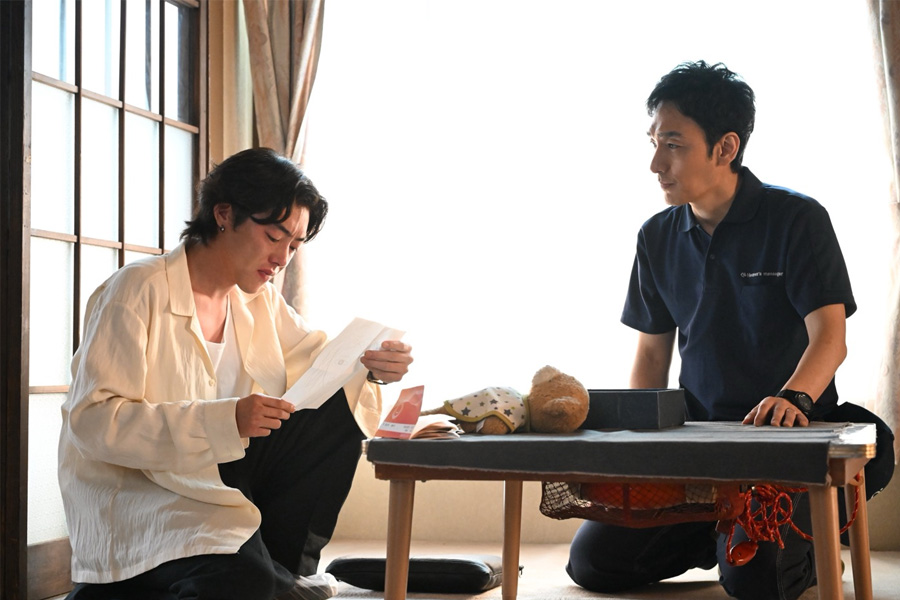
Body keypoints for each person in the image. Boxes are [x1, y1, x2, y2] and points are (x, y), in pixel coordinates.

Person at [566, 61, 895, 600]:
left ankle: (793, 550)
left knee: (755, 582)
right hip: (699, 447)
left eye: (673, 144)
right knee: (593, 563)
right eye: (653, 142)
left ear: (725, 147)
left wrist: (793, 399)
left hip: (788, 444)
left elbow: (830, 337)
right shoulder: (656, 236)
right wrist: (634, 448)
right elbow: (651, 355)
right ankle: (717, 535)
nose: (655, 163)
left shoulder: (797, 219)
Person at [58, 147, 414, 600]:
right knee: (245, 582)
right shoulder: (137, 288)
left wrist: (375, 367)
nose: (282, 258)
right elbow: (93, 421)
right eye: (274, 236)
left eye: (294, 246)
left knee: (338, 406)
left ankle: (287, 570)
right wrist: (228, 419)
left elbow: (324, 368)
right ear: (224, 214)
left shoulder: (257, 299)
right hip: (145, 491)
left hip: (222, 478)